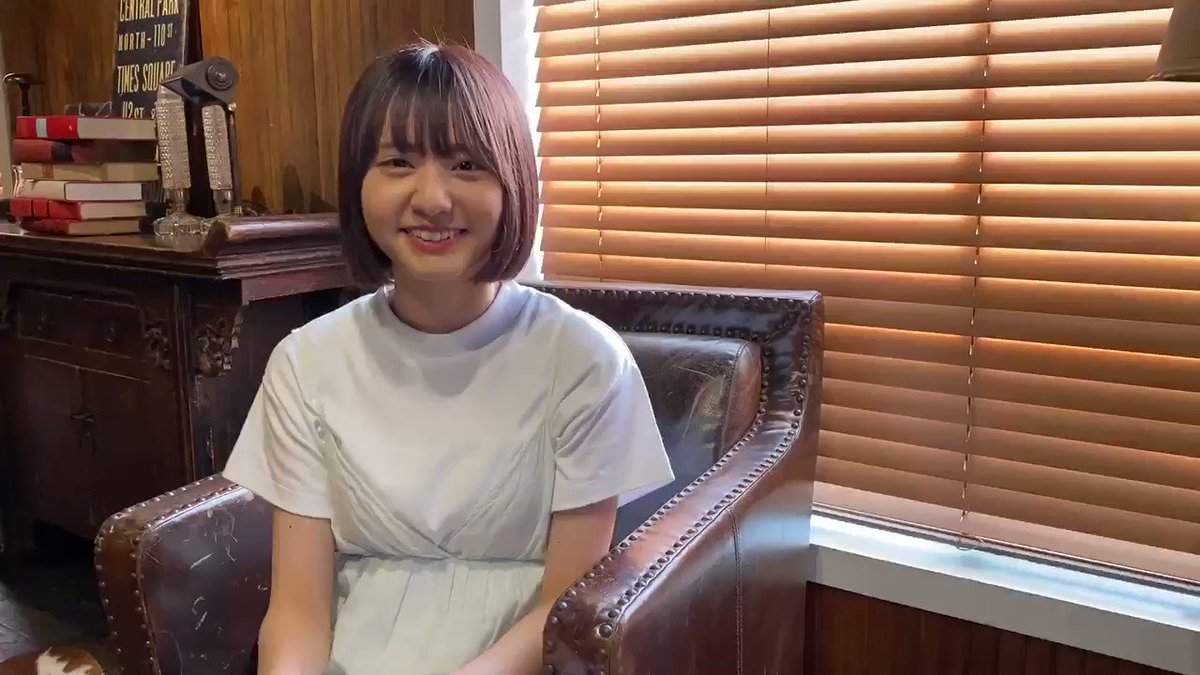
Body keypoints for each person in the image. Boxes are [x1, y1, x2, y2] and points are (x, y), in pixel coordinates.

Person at [221, 41, 675, 675]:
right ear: (357, 183)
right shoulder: (307, 363)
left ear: (512, 182)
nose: (432, 198)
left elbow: (564, 610)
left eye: (466, 164)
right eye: (398, 162)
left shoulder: (584, 361)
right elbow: (298, 613)